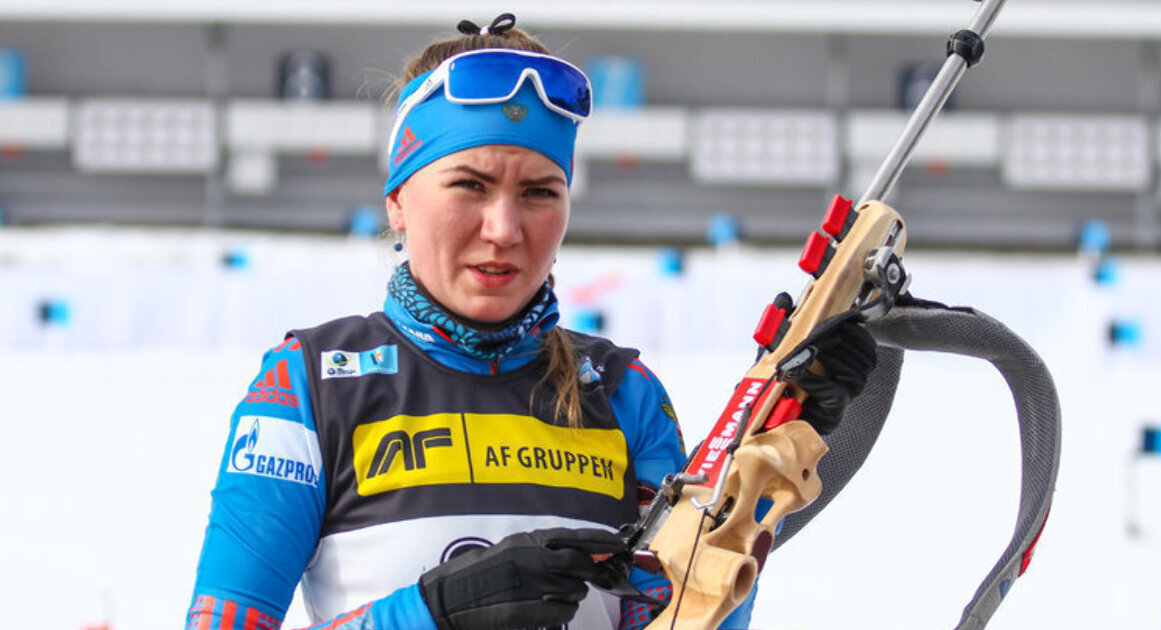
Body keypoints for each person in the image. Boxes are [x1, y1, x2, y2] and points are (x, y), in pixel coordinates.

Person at [185, 14, 876, 630]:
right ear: (397, 199)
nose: (505, 229)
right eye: (470, 185)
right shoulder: (310, 384)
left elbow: (685, 619)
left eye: (540, 193)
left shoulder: (625, 393)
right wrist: (432, 612)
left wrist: (762, 469)